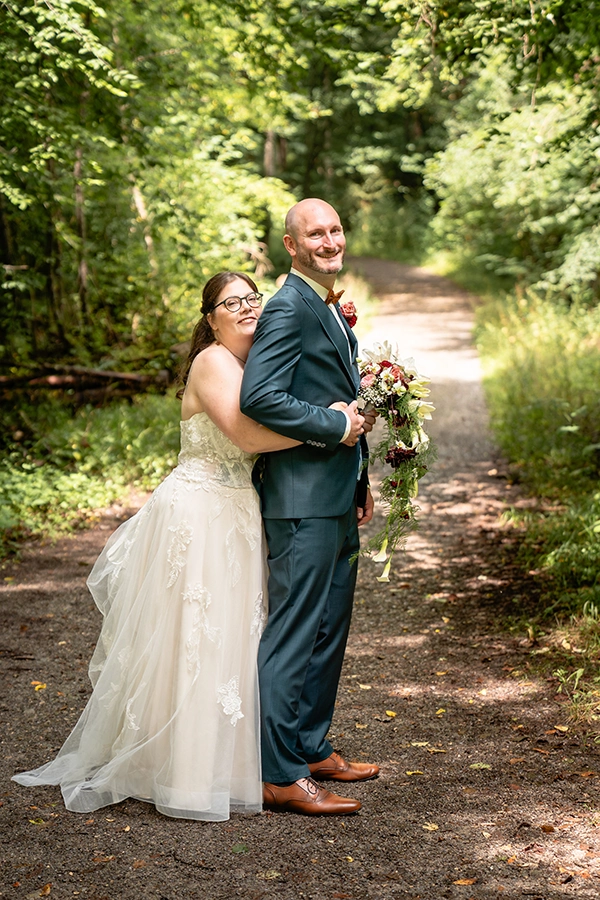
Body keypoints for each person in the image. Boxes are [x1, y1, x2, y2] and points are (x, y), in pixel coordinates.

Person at [12, 272, 302, 822]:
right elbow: (244, 437)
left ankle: (225, 763)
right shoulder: (214, 362)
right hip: (200, 511)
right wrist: (331, 427)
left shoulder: (252, 364)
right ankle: (187, 774)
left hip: (238, 508)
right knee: (196, 635)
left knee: (234, 632)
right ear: (210, 318)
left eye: (252, 298)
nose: (246, 308)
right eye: (230, 302)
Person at [240, 198, 380, 816]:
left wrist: (360, 478)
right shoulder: (287, 308)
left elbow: (343, 395)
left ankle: (311, 745)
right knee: (296, 632)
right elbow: (260, 397)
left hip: (334, 492)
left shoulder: (325, 303)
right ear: (291, 247)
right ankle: (278, 773)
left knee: (330, 627)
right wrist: (332, 426)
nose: (328, 241)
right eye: (314, 234)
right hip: (298, 498)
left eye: (334, 230)